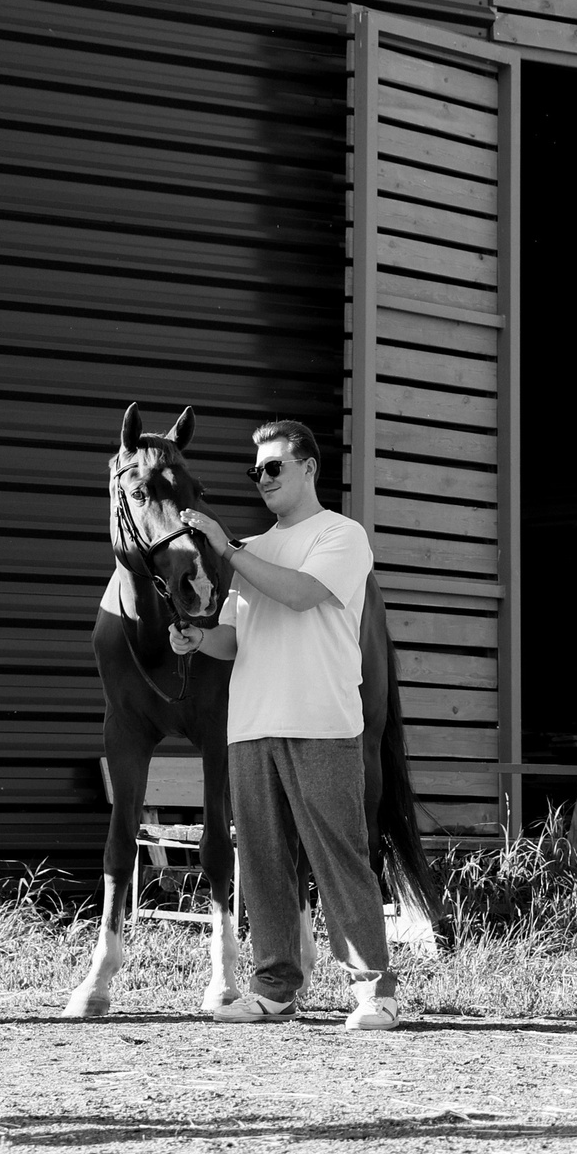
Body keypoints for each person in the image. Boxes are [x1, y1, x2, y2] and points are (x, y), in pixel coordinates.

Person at [171, 420, 402, 1031]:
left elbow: (299, 595)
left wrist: (228, 549)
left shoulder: (342, 535)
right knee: (265, 863)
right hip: (250, 726)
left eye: (273, 467)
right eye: (256, 471)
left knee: (339, 856)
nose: (262, 479)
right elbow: (238, 637)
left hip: (322, 722)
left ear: (308, 468)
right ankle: (273, 989)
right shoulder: (250, 549)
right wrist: (198, 638)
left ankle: (375, 993)